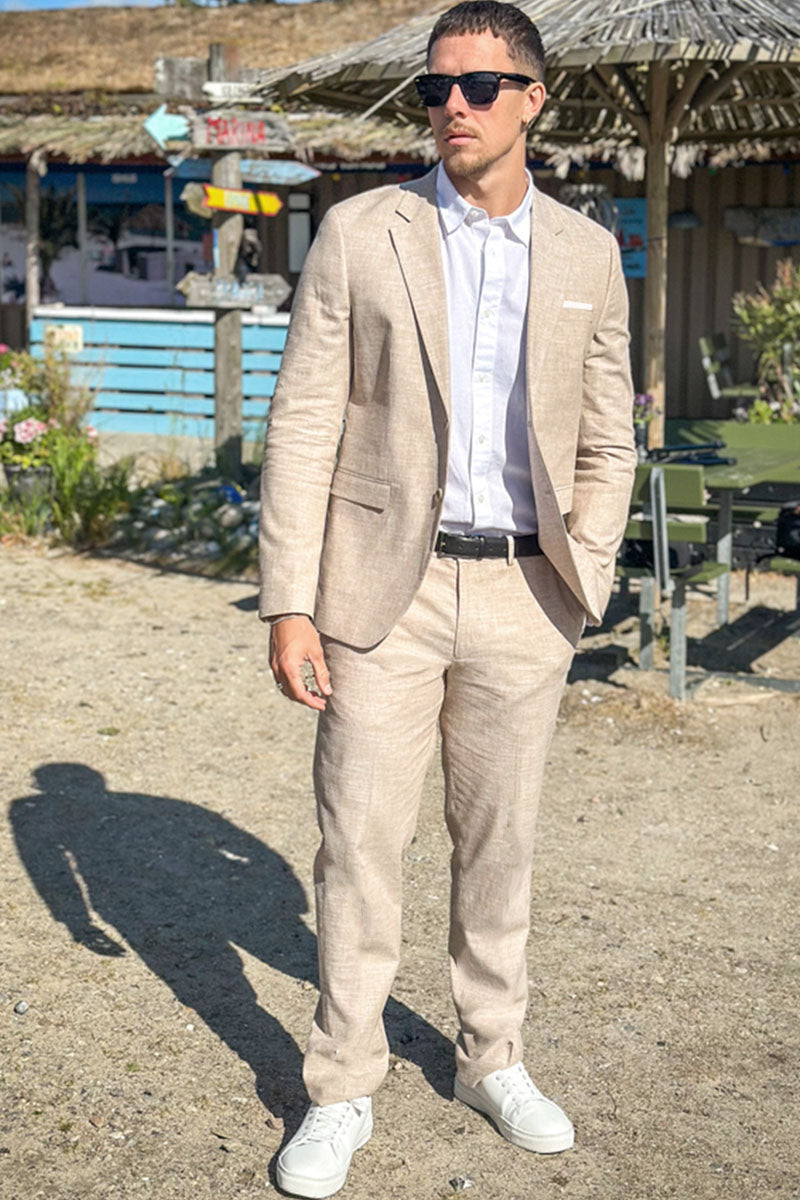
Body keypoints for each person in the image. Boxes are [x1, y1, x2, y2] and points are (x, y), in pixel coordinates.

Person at [258, 3, 636, 1195]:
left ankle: (490, 1057)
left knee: (500, 843)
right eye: (434, 88)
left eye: (477, 86)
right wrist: (287, 600)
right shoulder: (359, 232)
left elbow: (609, 436)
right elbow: (303, 420)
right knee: (359, 844)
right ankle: (340, 1085)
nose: (451, 107)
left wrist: (585, 570)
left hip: (527, 590)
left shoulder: (584, 254)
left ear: (533, 99)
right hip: (383, 591)